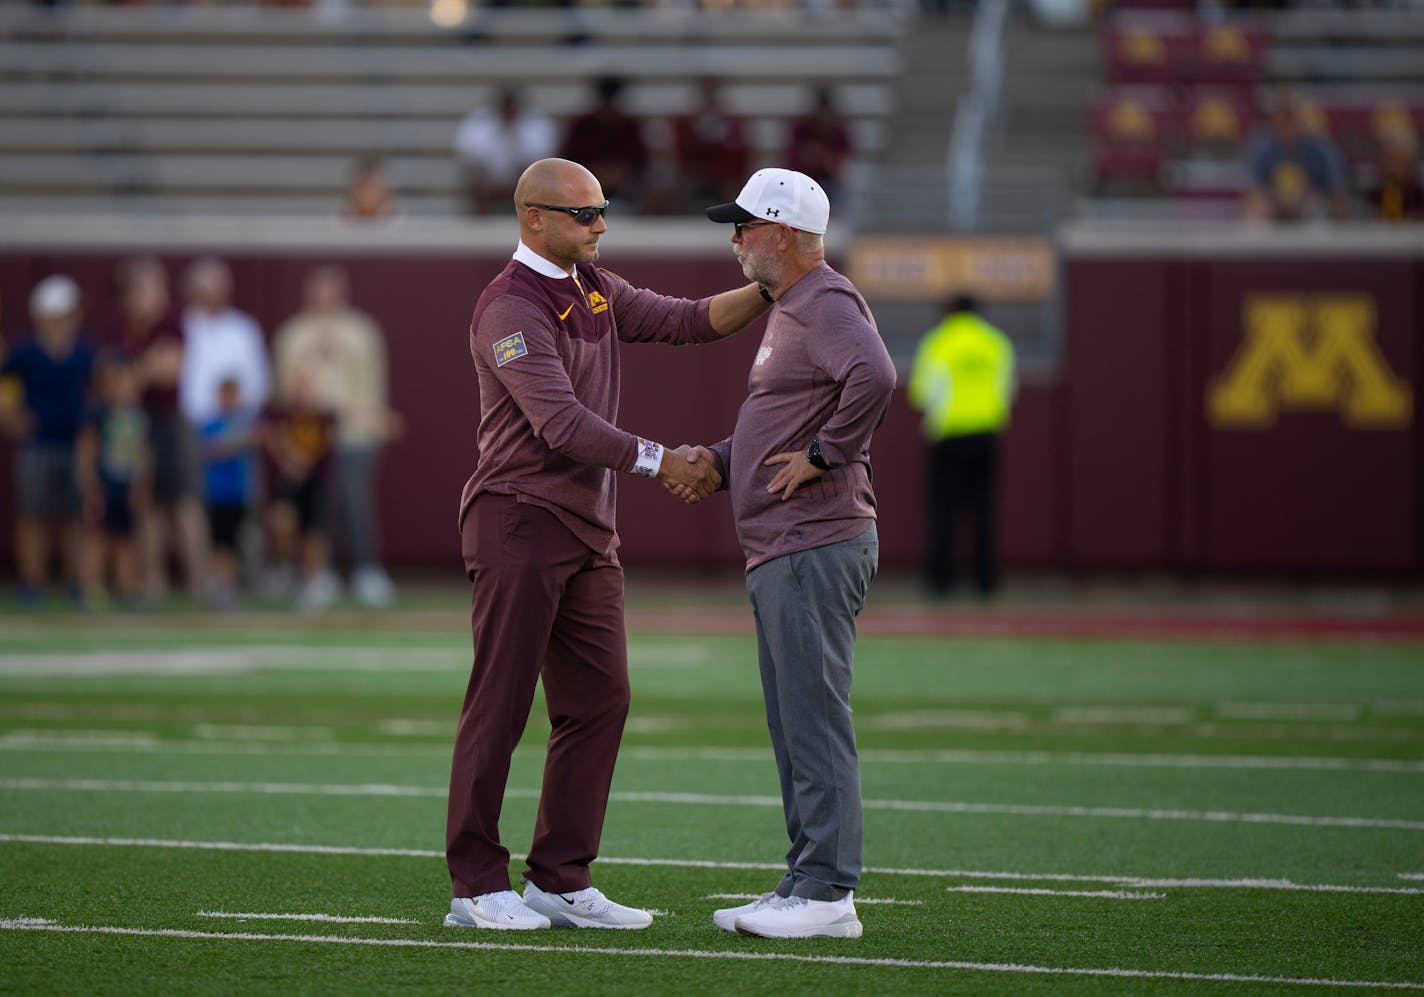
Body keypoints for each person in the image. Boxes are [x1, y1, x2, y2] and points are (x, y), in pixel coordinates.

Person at [444, 157, 770, 932]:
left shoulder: (593, 285)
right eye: (584, 213)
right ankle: (475, 885)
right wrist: (667, 460)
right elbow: (560, 424)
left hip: (587, 526)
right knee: (501, 701)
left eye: (602, 210)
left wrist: (774, 286)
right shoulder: (509, 306)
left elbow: (687, 318)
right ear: (534, 218)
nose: (600, 225)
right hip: (519, 518)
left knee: (600, 698)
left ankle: (558, 876)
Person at [683, 168, 896, 939]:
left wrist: (826, 452)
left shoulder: (824, 298)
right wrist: (719, 459)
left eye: (743, 225)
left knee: (812, 718)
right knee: (793, 720)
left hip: (812, 541)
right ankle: (807, 879)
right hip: (785, 545)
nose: (734, 239)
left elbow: (874, 374)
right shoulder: (794, 307)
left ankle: (827, 889)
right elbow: (783, 419)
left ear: (781, 232)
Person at [272, 266, 401, 607]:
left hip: (356, 433)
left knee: (355, 499)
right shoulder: (293, 334)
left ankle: (366, 570)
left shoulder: (362, 331)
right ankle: (319, 572)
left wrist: (373, 421)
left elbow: (373, 383)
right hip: (312, 439)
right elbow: (286, 390)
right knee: (317, 505)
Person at [906, 294, 1016, 597]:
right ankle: (985, 581)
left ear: (950, 311)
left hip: (948, 436)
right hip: (986, 434)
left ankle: (942, 581)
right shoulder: (995, 343)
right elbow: (1007, 389)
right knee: (984, 509)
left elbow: (921, 394)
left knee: (943, 510)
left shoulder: (939, 342)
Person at [113, 257, 207, 604]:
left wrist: (137, 371)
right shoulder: (124, 328)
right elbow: (117, 384)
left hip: (170, 421)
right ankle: (153, 583)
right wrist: (144, 369)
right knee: (145, 504)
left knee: (184, 503)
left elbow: (170, 371)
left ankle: (200, 582)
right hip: (132, 424)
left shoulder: (171, 325)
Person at [0, 275, 97, 608]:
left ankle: (76, 581)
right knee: (33, 516)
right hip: (37, 443)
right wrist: (11, 418)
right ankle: (32, 582)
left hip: (75, 445)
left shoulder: (85, 353)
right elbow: (5, 389)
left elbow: (98, 393)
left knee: (76, 518)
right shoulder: (25, 353)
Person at [76, 350, 151, 608]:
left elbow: (144, 455)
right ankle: (92, 586)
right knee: (98, 538)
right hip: (104, 484)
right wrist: (89, 485)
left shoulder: (139, 416)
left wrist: (142, 486)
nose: (127, 389)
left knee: (126, 539)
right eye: (121, 383)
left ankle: (126, 586)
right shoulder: (99, 415)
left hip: (127, 486)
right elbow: (87, 450)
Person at [260, 378, 339, 612]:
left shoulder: (324, 419)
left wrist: (299, 461)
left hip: (314, 483)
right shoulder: (280, 417)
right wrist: (286, 457)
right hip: (287, 483)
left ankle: (315, 580)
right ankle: (284, 570)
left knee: (313, 533)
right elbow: (266, 433)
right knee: (281, 523)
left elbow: (319, 450)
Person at [1242, 88, 1351, 222]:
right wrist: (1278, 201)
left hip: (1311, 205)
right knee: (1257, 206)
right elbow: (1254, 190)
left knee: (1316, 206)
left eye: (1290, 117)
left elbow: (1337, 191)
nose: (1285, 124)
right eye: (1280, 117)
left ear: (1301, 119)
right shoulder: (1262, 146)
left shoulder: (1321, 147)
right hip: (1275, 205)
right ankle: (1257, 243)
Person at [198, 377, 258, 610]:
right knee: (219, 542)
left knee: (235, 542)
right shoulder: (210, 423)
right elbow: (213, 448)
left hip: (239, 493)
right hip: (217, 493)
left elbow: (251, 440)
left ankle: (230, 585)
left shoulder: (243, 422)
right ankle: (221, 585)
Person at [453, 87, 557, 215]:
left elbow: (541, 160)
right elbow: (470, 157)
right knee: (474, 172)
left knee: (539, 174)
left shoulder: (537, 125)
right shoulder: (479, 125)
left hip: (523, 180)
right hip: (488, 182)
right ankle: (480, 217)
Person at [558, 77, 649, 212]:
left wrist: (619, 174)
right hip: (583, 188)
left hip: (626, 190)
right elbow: (567, 161)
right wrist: (594, 174)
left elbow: (641, 163)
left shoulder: (631, 127)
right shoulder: (581, 127)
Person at [670, 78, 752, 211]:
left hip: (723, 176)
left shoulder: (734, 124)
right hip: (695, 176)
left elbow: (740, 157)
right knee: (683, 186)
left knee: (734, 188)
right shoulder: (684, 124)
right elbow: (680, 154)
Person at [786, 86, 854, 204]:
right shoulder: (801, 127)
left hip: (833, 185)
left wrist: (826, 160)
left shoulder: (839, 129)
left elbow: (843, 164)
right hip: (803, 182)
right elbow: (793, 159)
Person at [1362, 128, 1424, 222]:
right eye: (1390, 159)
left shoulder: (1419, 196)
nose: (1393, 166)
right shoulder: (1371, 196)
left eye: (1399, 160)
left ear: (1411, 163)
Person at [341, 155, 398, 222]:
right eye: (363, 185)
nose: (368, 193)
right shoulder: (336, 223)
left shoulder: (401, 223)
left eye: (373, 186)